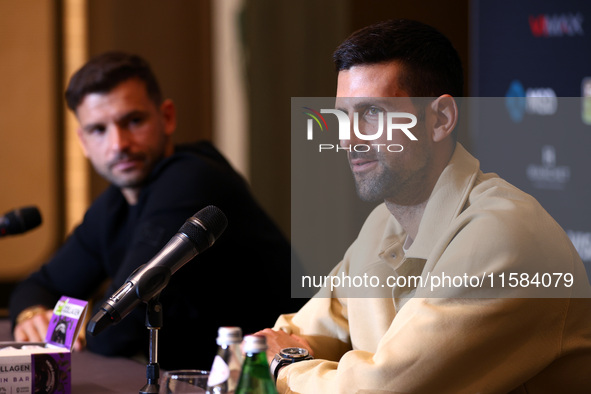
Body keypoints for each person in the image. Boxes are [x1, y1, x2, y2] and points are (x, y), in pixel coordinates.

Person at [259, 19, 591, 393]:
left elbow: (383, 390)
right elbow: (295, 335)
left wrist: (285, 367)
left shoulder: (504, 236)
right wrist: (275, 355)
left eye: (371, 113)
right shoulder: (383, 223)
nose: (348, 139)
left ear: (440, 119)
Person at [9, 51, 304, 370]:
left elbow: (117, 328)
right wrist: (32, 316)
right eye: (98, 130)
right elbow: (39, 285)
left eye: (133, 121)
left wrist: (71, 326)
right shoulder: (113, 206)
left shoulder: (191, 180)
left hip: (274, 380)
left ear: (167, 117)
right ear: (82, 141)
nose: (118, 143)